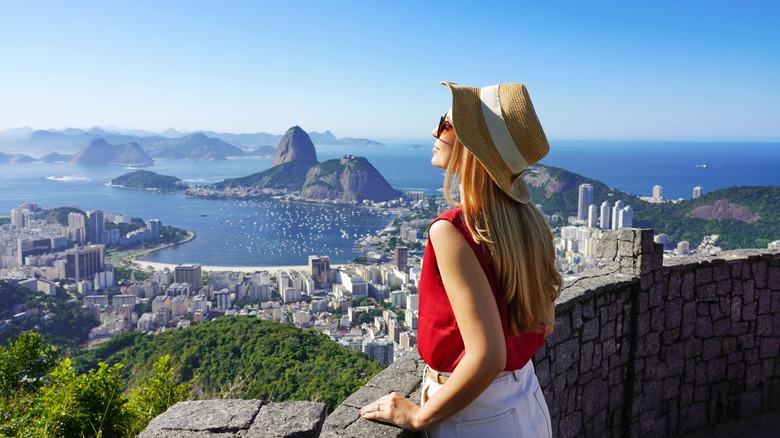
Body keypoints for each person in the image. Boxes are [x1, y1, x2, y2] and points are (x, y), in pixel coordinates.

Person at [359, 81, 561, 437]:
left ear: (473, 146)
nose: (434, 132)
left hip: (475, 416)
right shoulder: (531, 222)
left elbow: (487, 357)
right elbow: (544, 323)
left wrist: (420, 416)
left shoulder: (453, 230)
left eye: (446, 124)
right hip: (526, 399)